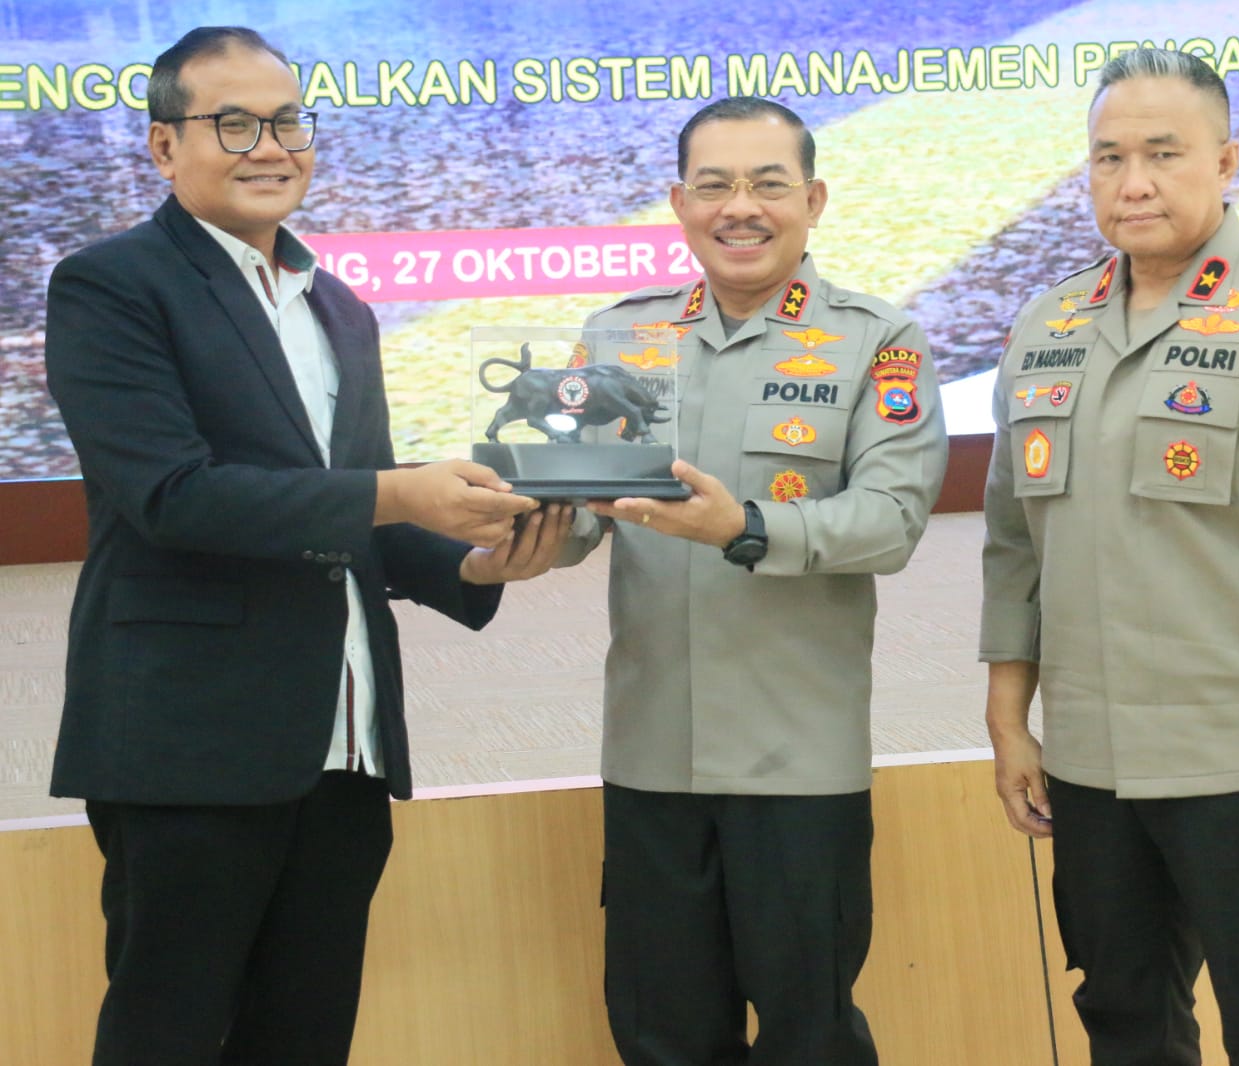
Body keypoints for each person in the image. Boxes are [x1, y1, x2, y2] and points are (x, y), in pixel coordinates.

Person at [44, 26, 572, 1066]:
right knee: (168, 1034)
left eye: (288, 121)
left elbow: (357, 514)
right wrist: (398, 490)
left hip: (343, 745)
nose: (271, 146)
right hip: (192, 745)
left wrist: (476, 559)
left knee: (307, 1036)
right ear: (164, 146)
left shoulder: (340, 306)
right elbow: (173, 497)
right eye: (234, 124)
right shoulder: (111, 285)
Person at [981, 48, 1239, 1065]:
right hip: (1090, 768)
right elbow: (1013, 541)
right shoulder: (1046, 326)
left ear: (1225, 161)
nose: (1132, 182)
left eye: (1163, 153)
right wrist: (1008, 716)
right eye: (1108, 157)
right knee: (1126, 1028)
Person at [553, 97, 948, 1065]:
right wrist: (510, 531)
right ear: (679, 203)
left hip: (796, 766)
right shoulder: (618, 339)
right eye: (715, 185)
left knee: (811, 1037)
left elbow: (890, 519)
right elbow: (573, 514)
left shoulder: (877, 340)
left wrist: (748, 527)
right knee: (661, 1036)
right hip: (652, 759)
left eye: (768, 184)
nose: (740, 207)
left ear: (812, 200)